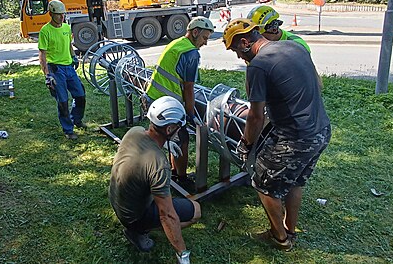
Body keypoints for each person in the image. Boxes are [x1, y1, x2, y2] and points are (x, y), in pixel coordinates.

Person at [222, 19, 331, 251]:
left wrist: (245, 145)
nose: (239, 58)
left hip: (296, 138)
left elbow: (255, 117)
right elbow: (316, 85)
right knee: (294, 181)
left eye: (237, 52)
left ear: (244, 42)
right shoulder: (294, 47)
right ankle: (290, 229)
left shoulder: (258, 65)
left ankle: (280, 238)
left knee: (263, 183)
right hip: (321, 129)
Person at [109, 96, 201, 263]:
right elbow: (167, 215)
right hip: (133, 216)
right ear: (169, 129)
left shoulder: (134, 131)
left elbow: (149, 144)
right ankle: (139, 231)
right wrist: (183, 255)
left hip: (118, 203)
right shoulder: (159, 165)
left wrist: (166, 145)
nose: (180, 131)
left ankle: (136, 226)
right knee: (196, 210)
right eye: (179, 127)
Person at [143, 16, 215, 191]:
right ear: (195, 32)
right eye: (204, 38)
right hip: (165, 104)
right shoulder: (190, 53)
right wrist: (189, 115)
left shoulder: (177, 43)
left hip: (153, 98)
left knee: (168, 138)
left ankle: (173, 171)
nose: (205, 43)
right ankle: (181, 178)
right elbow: (188, 88)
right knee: (182, 138)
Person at [38, 0, 86, 140]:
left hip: (69, 67)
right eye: (58, 15)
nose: (61, 17)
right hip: (56, 69)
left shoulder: (66, 28)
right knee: (63, 100)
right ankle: (68, 130)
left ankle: (76, 119)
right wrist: (47, 74)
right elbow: (42, 54)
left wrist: (74, 57)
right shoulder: (45, 31)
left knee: (80, 95)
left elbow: (69, 45)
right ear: (51, 14)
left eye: (63, 14)